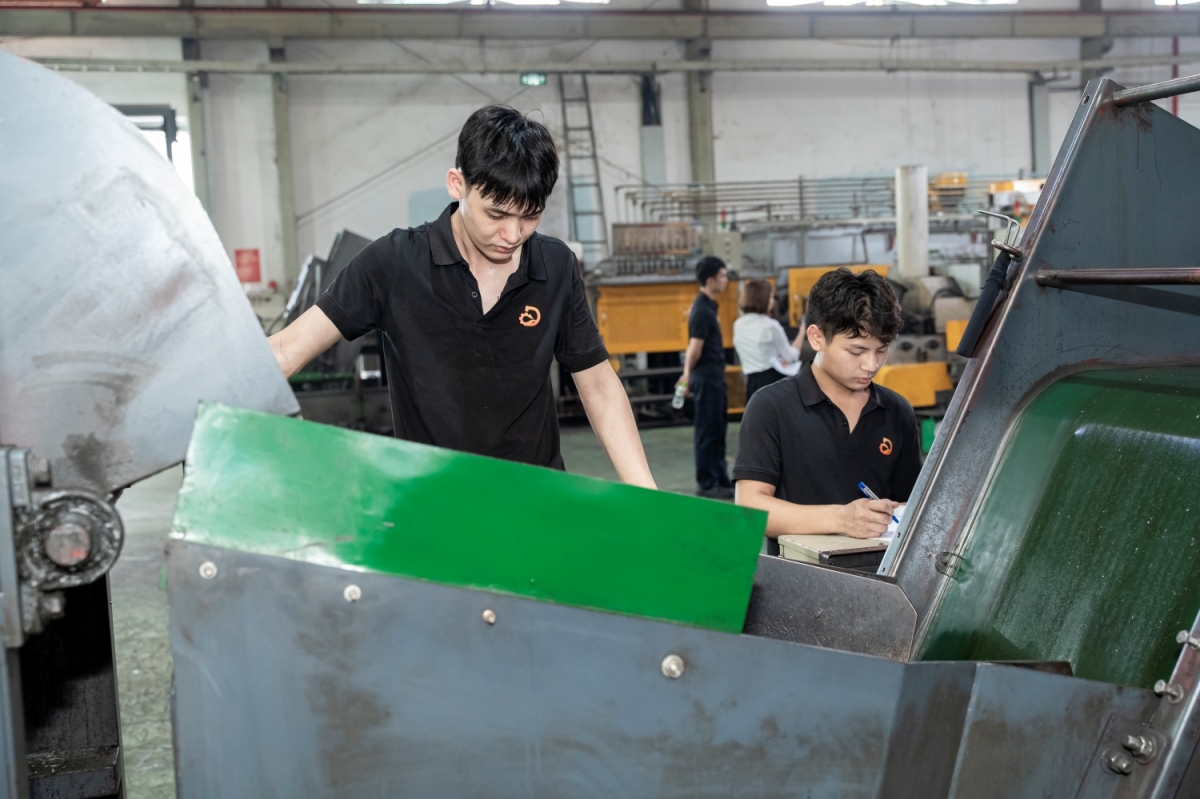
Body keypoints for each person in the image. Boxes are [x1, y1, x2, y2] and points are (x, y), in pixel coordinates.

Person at [268, 105, 656, 488]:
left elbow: (598, 385)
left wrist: (648, 496)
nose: (513, 235)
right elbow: (287, 349)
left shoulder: (555, 266)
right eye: (496, 214)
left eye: (530, 216)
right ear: (457, 184)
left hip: (536, 498)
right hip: (431, 501)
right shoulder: (394, 263)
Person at [732, 268, 921, 554]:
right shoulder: (771, 407)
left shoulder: (896, 411)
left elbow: (910, 504)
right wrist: (841, 519)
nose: (871, 365)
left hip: (878, 572)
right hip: (800, 574)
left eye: (881, 350)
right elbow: (750, 508)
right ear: (816, 337)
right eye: (856, 351)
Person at [677, 256, 733, 499]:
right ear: (710, 280)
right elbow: (694, 348)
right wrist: (687, 375)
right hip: (706, 377)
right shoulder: (701, 309)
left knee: (717, 429)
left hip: (713, 377)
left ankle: (719, 478)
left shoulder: (708, 306)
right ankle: (708, 482)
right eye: (722, 276)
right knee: (708, 431)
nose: (726, 280)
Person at [732, 279, 804, 403]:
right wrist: (802, 331)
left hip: (751, 382)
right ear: (762, 299)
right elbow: (791, 356)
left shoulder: (738, 324)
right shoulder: (770, 325)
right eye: (770, 297)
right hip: (771, 381)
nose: (772, 301)